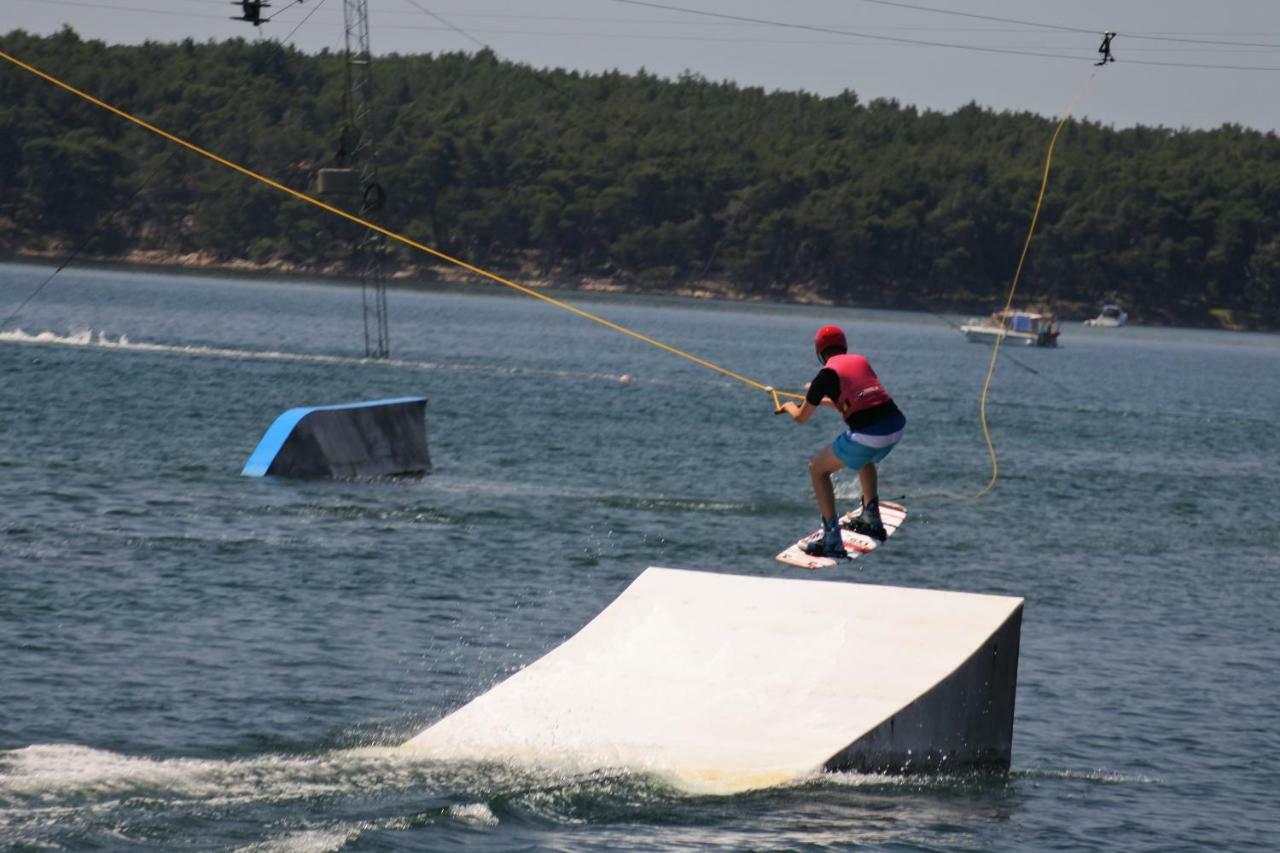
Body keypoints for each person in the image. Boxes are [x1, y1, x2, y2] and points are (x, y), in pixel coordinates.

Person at [778, 325, 906, 559]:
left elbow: (802, 417)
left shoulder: (824, 376)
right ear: (844, 346)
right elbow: (855, 398)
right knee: (865, 456)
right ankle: (870, 517)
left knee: (817, 469)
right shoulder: (860, 361)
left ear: (819, 352)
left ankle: (832, 539)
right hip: (895, 425)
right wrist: (814, 400)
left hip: (871, 434)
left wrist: (788, 407)